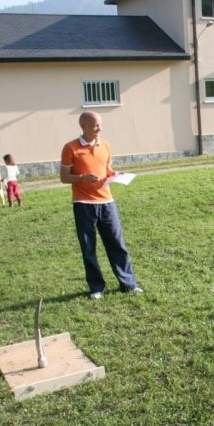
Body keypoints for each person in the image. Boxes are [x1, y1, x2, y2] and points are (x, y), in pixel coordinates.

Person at [60, 111, 143, 300]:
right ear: (84, 126)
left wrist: (115, 174)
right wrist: (82, 178)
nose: (100, 129)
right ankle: (96, 287)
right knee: (89, 248)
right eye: (96, 125)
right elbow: (64, 177)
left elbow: (106, 169)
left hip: (107, 203)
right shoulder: (70, 148)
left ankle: (128, 284)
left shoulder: (105, 145)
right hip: (83, 204)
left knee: (117, 244)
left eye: (100, 125)